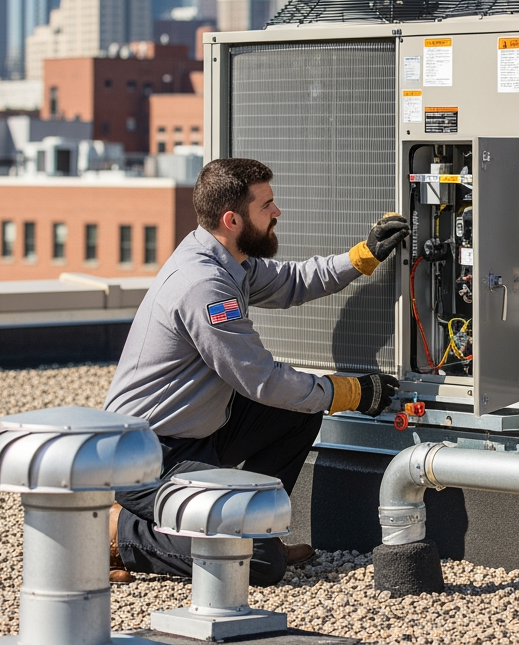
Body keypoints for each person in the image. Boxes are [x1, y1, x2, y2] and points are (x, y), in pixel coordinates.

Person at [103, 157, 409, 585]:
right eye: (267, 205)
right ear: (232, 219)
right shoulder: (205, 286)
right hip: (146, 459)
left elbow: (295, 281)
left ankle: (253, 524)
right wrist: (350, 393)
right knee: (258, 564)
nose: (277, 212)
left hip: (196, 437)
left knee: (297, 411)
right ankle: (118, 532)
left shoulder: (229, 260)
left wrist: (363, 256)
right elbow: (261, 379)